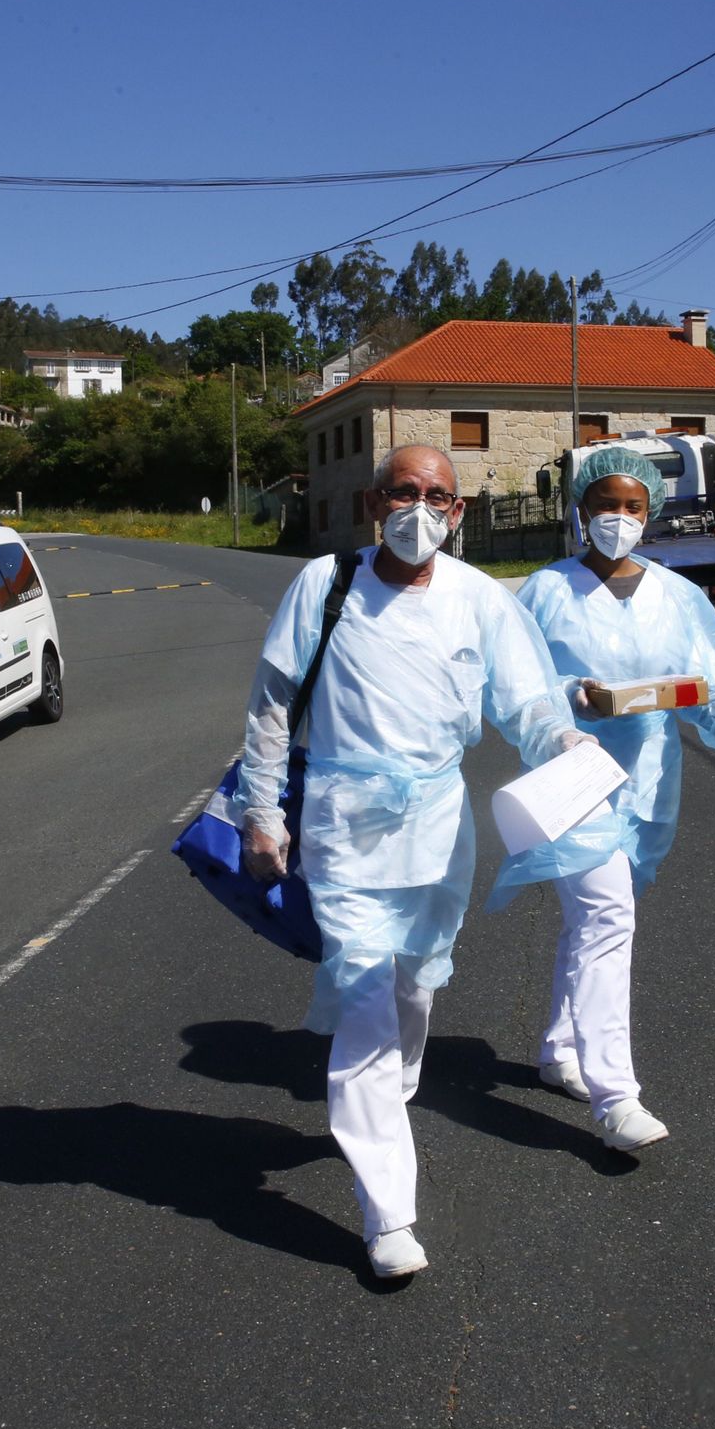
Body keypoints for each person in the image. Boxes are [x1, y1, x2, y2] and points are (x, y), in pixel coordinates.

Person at [236, 444, 584, 1281]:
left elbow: (526, 699)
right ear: (372, 502)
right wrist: (259, 814)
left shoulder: (478, 599)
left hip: (438, 824)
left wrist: (563, 744)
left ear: (459, 513)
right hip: (343, 827)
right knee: (363, 994)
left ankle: (383, 1105)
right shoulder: (325, 587)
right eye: (403, 492)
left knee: (414, 984)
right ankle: (387, 1209)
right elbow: (272, 707)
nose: (419, 508)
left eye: (437, 495)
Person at [487, 444, 715, 1151]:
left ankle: (560, 1052)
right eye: (605, 505)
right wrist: (567, 702)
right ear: (580, 510)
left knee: (594, 924)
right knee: (607, 918)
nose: (618, 518)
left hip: (648, 783)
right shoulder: (543, 593)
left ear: (651, 512)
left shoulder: (675, 597)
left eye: (632, 507)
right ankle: (616, 1096)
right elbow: (511, 690)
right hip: (573, 781)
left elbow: (713, 684)